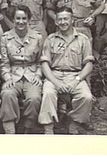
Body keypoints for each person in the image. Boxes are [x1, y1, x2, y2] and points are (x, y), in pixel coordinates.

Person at [38, 7, 95, 135]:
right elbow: (45, 65)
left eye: (66, 19)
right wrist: (56, 83)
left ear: (72, 20)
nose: (63, 22)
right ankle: (48, 129)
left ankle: (74, 124)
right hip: (54, 75)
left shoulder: (83, 39)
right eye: (60, 19)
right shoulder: (50, 39)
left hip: (75, 75)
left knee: (86, 96)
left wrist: (77, 80)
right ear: (56, 22)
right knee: (48, 94)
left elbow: (89, 64)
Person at [0, 5, 44, 134]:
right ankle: (10, 130)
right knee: (7, 94)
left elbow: (41, 61)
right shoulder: (5, 37)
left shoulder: (38, 37)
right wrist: (7, 77)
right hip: (13, 73)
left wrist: (38, 75)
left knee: (34, 98)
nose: (21, 22)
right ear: (13, 20)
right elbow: (4, 62)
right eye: (17, 18)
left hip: (32, 73)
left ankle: (28, 127)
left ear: (29, 19)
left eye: (24, 18)